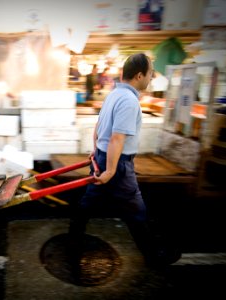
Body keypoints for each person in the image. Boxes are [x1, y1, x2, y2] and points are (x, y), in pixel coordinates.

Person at [67, 53, 180, 268]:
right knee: (136, 210)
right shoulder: (129, 101)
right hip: (117, 164)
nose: (151, 78)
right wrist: (110, 171)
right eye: (150, 74)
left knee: (88, 202)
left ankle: (73, 241)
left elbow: (99, 126)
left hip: (102, 157)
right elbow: (118, 138)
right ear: (139, 75)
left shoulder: (114, 93)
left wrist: (95, 151)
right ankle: (154, 256)